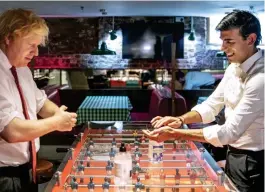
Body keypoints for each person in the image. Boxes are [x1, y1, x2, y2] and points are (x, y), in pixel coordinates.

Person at [143, 10, 264, 192]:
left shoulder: (260, 78)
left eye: (229, 41)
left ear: (251, 39)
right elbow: (212, 104)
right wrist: (180, 120)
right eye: (222, 41)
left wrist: (176, 133)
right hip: (233, 154)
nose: (223, 47)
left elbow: (229, 132)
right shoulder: (233, 68)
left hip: (254, 161)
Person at [0, 8, 77, 192]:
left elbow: (40, 102)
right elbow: (12, 131)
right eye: (31, 45)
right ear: (9, 38)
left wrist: (58, 113)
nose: (36, 53)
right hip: (3, 176)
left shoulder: (22, 68)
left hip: (27, 168)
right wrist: (56, 122)